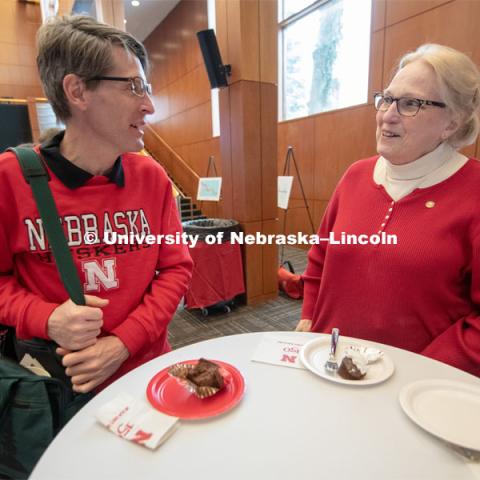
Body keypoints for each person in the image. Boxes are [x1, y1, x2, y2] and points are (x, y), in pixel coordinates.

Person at [0, 15, 193, 392]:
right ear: (77, 91)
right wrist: (45, 317)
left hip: (145, 375)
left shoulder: (151, 176)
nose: (150, 106)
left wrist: (122, 344)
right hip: (55, 386)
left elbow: (176, 271)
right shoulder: (10, 179)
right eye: (134, 87)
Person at [296, 44, 480, 377]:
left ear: (452, 121)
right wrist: (309, 315)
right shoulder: (355, 175)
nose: (388, 114)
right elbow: (320, 254)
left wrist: (421, 371)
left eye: (410, 103)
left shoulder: (475, 192)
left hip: (416, 391)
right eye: (387, 99)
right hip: (329, 364)